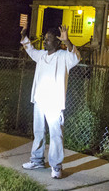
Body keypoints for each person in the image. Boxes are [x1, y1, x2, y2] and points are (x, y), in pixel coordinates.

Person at [20, 25, 80, 179]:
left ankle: (56, 166)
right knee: (38, 132)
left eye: (48, 40)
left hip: (54, 103)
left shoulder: (63, 56)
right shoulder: (41, 55)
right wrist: (24, 37)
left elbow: (76, 57)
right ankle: (37, 160)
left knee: (55, 135)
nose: (44, 42)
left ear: (57, 43)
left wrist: (67, 42)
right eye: (45, 39)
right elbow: (30, 50)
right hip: (39, 101)